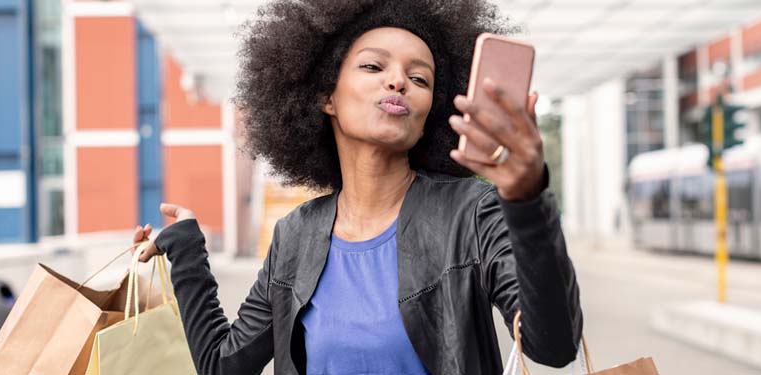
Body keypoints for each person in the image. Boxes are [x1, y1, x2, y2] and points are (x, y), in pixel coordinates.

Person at [132, 0, 582, 373]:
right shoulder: (295, 235)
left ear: (433, 113)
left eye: (420, 78)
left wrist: (526, 197)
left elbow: (554, 346)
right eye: (373, 66)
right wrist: (188, 251)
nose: (398, 81)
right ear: (326, 97)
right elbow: (221, 364)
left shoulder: (473, 212)